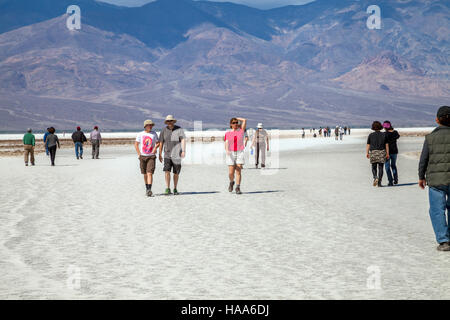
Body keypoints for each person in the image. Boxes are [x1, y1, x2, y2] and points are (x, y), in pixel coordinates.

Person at [418, 106, 450, 251]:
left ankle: (443, 241)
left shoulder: (430, 138)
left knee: (437, 210)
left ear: (437, 120)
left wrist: (421, 176)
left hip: (436, 180)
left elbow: (424, 158)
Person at [159, 115, 186, 195]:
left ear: (173, 121)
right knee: (167, 171)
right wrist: (159, 153)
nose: (169, 122)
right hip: (167, 154)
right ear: (166, 122)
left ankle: (175, 188)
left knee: (176, 172)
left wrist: (183, 150)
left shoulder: (179, 129)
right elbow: (161, 142)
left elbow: (183, 140)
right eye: (168, 121)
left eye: (171, 121)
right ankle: (167, 188)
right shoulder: (163, 130)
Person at [135, 120, 160, 197]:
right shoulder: (140, 134)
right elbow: (136, 144)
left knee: (150, 173)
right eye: (149, 125)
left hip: (151, 156)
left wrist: (155, 148)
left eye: (151, 125)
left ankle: (149, 189)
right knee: (145, 174)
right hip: (142, 156)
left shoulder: (154, 133)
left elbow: (158, 142)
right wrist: (139, 154)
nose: (151, 126)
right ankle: (147, 188)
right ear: (145, 126)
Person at [225, 117, 247, 195]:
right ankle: (231, 182)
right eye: (233, 123)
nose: (235, 124)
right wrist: (227, 150)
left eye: (236, 122)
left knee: (238, 170)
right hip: (231, 153)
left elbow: (244, 120)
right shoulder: (228, 133)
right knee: (231, 173)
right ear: (231, 124)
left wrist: (237, 118)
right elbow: (226, 142)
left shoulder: (241, 131)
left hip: (240, 152)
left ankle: (238, 187)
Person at [366, 121, 389, 187]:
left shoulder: (371, 135)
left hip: (373, 152)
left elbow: (368, 145)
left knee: (373, 167)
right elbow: (386, 145)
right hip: (382, 152)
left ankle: (375, 177)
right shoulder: (384, 135)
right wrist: (387, 153)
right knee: (381, 167)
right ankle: (379, 183)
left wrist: (367, 153)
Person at [384, 121, 400, 186]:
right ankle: (395, 179)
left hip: (387, 152)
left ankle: (390, 181)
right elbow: (398, 136)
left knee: (387, 167)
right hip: (394, 151)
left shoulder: (385, 134)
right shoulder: (395, 132)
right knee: (393, 165)